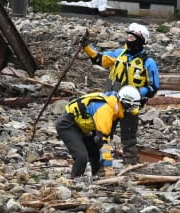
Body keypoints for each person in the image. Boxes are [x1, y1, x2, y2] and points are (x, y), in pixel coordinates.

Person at [81, 22, 159, 164]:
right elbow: (100, 58)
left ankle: (130, 165)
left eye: (132, 37)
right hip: (110, 102)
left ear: (140, 40)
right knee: (103, 134)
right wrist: (87, 46)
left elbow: (153, 87)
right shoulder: (118, 54)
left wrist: (137, 93)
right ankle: (100, 164)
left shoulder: (148, 62)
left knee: (129, 139)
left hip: (131, 105)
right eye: (128, 37)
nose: (128, 40)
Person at [56, 86, 140, 179]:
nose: (130, 111)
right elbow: (103, 141)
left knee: (95, 152)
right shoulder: (106, 110)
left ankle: (96, 178)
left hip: (81, 127)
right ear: (125, 103)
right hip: (68, 125)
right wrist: (108, 167)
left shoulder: (114, 107)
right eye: (131, 107)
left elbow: (106, 138)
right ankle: (74, 182)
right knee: (81, 156)